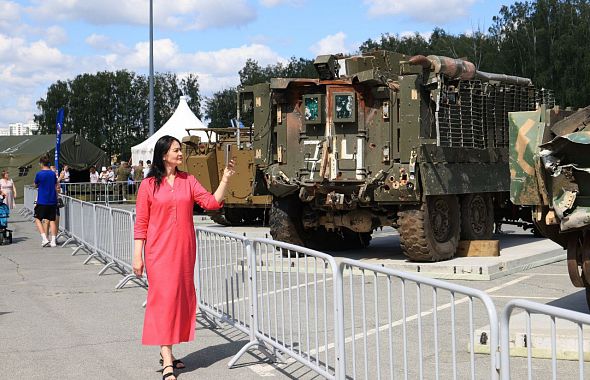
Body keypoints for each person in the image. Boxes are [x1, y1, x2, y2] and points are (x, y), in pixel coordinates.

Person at [133, 135, 235, 380]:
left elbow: (211, 203)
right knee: (163, 301)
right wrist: (138, 256)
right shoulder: (148, 186)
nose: (181, 154)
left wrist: (225, 179)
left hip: (184, 251)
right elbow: (141, 224)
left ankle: (168, 350)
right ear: (164, 154)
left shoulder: (188, 180)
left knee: (178, 301)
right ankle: (166, 357)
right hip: (158, 252)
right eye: (176, 150)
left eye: (180, 150)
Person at [34, 155, 58, 247]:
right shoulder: (52, 174)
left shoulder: (39, 174)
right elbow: (56, 184)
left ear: (41, 163)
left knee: (37, 219)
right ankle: (53, 241)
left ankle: (44, 238)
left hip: (42, 200)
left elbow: (36, 184)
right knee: (52, 220)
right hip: (52, 200)